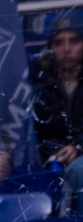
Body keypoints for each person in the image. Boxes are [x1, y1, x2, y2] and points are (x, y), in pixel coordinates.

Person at [28, 20, 83, 204]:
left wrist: (78, 148)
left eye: (74, 41)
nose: (66, 49)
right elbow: (35, 133)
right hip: (52, 158)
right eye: (58, 43)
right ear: (50, 48)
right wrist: (57, 151)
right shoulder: (38, 84)